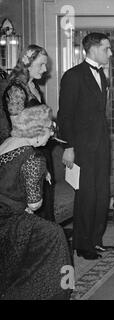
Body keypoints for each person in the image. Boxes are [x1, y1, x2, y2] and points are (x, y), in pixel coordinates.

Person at [0, 104, 72, 300]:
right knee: (54, 234)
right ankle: (55, 291)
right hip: (10, 222)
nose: (50, 136)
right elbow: (34, 205)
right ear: (38, 132)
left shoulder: (7, 143)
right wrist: (39, 175)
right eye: (49, 131)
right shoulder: (34, 158)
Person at [58, 32, 114, 260]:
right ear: (92, 49)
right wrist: (69, 147)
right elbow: (65, 116)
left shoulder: (103, 76)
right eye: (106, 49)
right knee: (86, 195)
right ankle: (83, 244)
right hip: (81, 147)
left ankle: (96, 240)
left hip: (101, 145)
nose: (110, 53)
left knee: (101, 194)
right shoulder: (73, 76)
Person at [1, 45, 55, 222]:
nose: (45, 69)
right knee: (31, 213)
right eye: (41, 65)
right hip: (25, 153)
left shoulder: (33, 86)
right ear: (27, 64)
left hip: (41, 149)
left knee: (46, 206)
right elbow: (17, 128)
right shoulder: (16, 89)